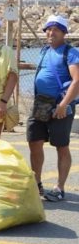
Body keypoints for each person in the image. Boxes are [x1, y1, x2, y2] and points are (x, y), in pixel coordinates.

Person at [28, 15, 79, 201]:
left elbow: (77, 80)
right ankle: (37, 184)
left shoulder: (71, 53)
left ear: (64, 33)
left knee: (61, 146)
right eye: (48, 29)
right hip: (41, 104)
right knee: (34, 141)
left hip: (60, 105)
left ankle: (59, 188)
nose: (51, 32)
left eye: (56, 29)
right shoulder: (44, 50)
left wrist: (64, 105)